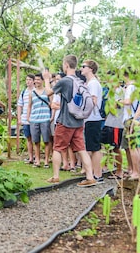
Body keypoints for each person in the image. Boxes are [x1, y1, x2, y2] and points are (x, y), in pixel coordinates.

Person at [42, 55, 97, 187]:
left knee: (57, 148)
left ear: (66, 65)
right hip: (78, 121)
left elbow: (48, 92)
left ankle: (55, 176)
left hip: (65, 121)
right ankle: (90, 177)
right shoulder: (79, 81)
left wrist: (46, 79)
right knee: (81, 149)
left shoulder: (65, 81)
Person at [80, 60, 104, 184]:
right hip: (89, 119)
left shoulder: (93, 83)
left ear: (90, 69)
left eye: (84, 66)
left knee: (95, 147)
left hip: (93, 118)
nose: (81, 68)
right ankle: (94, 173)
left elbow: (93, 100)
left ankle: (97, 174)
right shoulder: (89, 83)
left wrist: (83, 111)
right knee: (91, 146)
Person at [27, 73, 52, 168]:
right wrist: (28, 117)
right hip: (34, 119)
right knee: (35, 141)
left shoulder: (47, 91)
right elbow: (29, 106)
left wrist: (52, 116)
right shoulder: (32, 93)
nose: (37, 81)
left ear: (42, 80)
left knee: (46, 140)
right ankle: (37, 160)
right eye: (35, 79)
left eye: (38, 79)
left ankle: (46, 160)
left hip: (45, 118)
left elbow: (52, 103)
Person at [102, 81, 125, 179]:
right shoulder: (111, 91)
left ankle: (120, 171)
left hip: (117, 123)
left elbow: (114, 107)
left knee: (116, 147)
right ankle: (110, 167)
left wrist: (109, 107)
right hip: (109, 122)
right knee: (107, 145)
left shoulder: (120, 92)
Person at [17, 74, 35, 164]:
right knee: (28, 138)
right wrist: (19, 118)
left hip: (35, 118)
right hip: (25, 119)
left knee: (36, 139)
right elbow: (20, 105)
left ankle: (37, 157)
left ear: (33, 81)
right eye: (27, 79)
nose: (28, 81)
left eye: (30, 80)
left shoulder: (36, 91)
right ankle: (31, 157)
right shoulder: (24, 92)